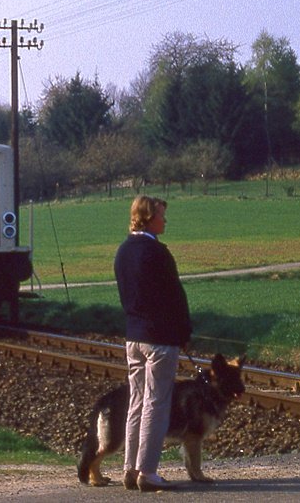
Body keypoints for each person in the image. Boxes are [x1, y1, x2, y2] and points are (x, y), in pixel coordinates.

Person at [114, 195, 192, 492]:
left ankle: (129, 468)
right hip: (160, 338)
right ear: (148, 217)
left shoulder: (122, 251)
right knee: (156, 404)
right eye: (161, 214)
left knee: (136, 402)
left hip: (133, 335)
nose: (165, 220)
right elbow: (175, 296)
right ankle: (147, 470)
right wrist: (184, 332)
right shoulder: (158, 253)